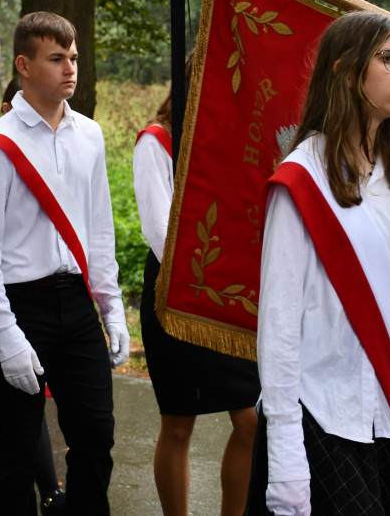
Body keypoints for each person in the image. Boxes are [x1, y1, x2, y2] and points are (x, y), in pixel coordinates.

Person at [249, 10, 390, 515]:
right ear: (348, 73)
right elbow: (279, 326)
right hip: (319, 418)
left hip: (385, 423)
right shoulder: (301, 181)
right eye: (388, 59)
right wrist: (285, 453)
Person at [0, 12, 129, 516]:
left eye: (73, 57)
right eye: (56, 59)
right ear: (24, 65)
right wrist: (4, 333)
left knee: (96, 436)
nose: (69, 68)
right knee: (15, 448)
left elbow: (98, 228)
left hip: (77, 303)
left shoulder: (90, 135)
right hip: (21, 306)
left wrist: (112, 306)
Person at [133, 78, 260, 516]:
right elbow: (158, 231)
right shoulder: (157, 141)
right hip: (176, 293)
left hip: (229, 290)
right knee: (179, 422)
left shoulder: (231, 138)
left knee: (251, 419)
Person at [0, 74, 66, 515]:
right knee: (20, 411)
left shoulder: (62, 149)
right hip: (9, 301)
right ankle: (45, 490)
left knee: (19, 414)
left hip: (54, 298)